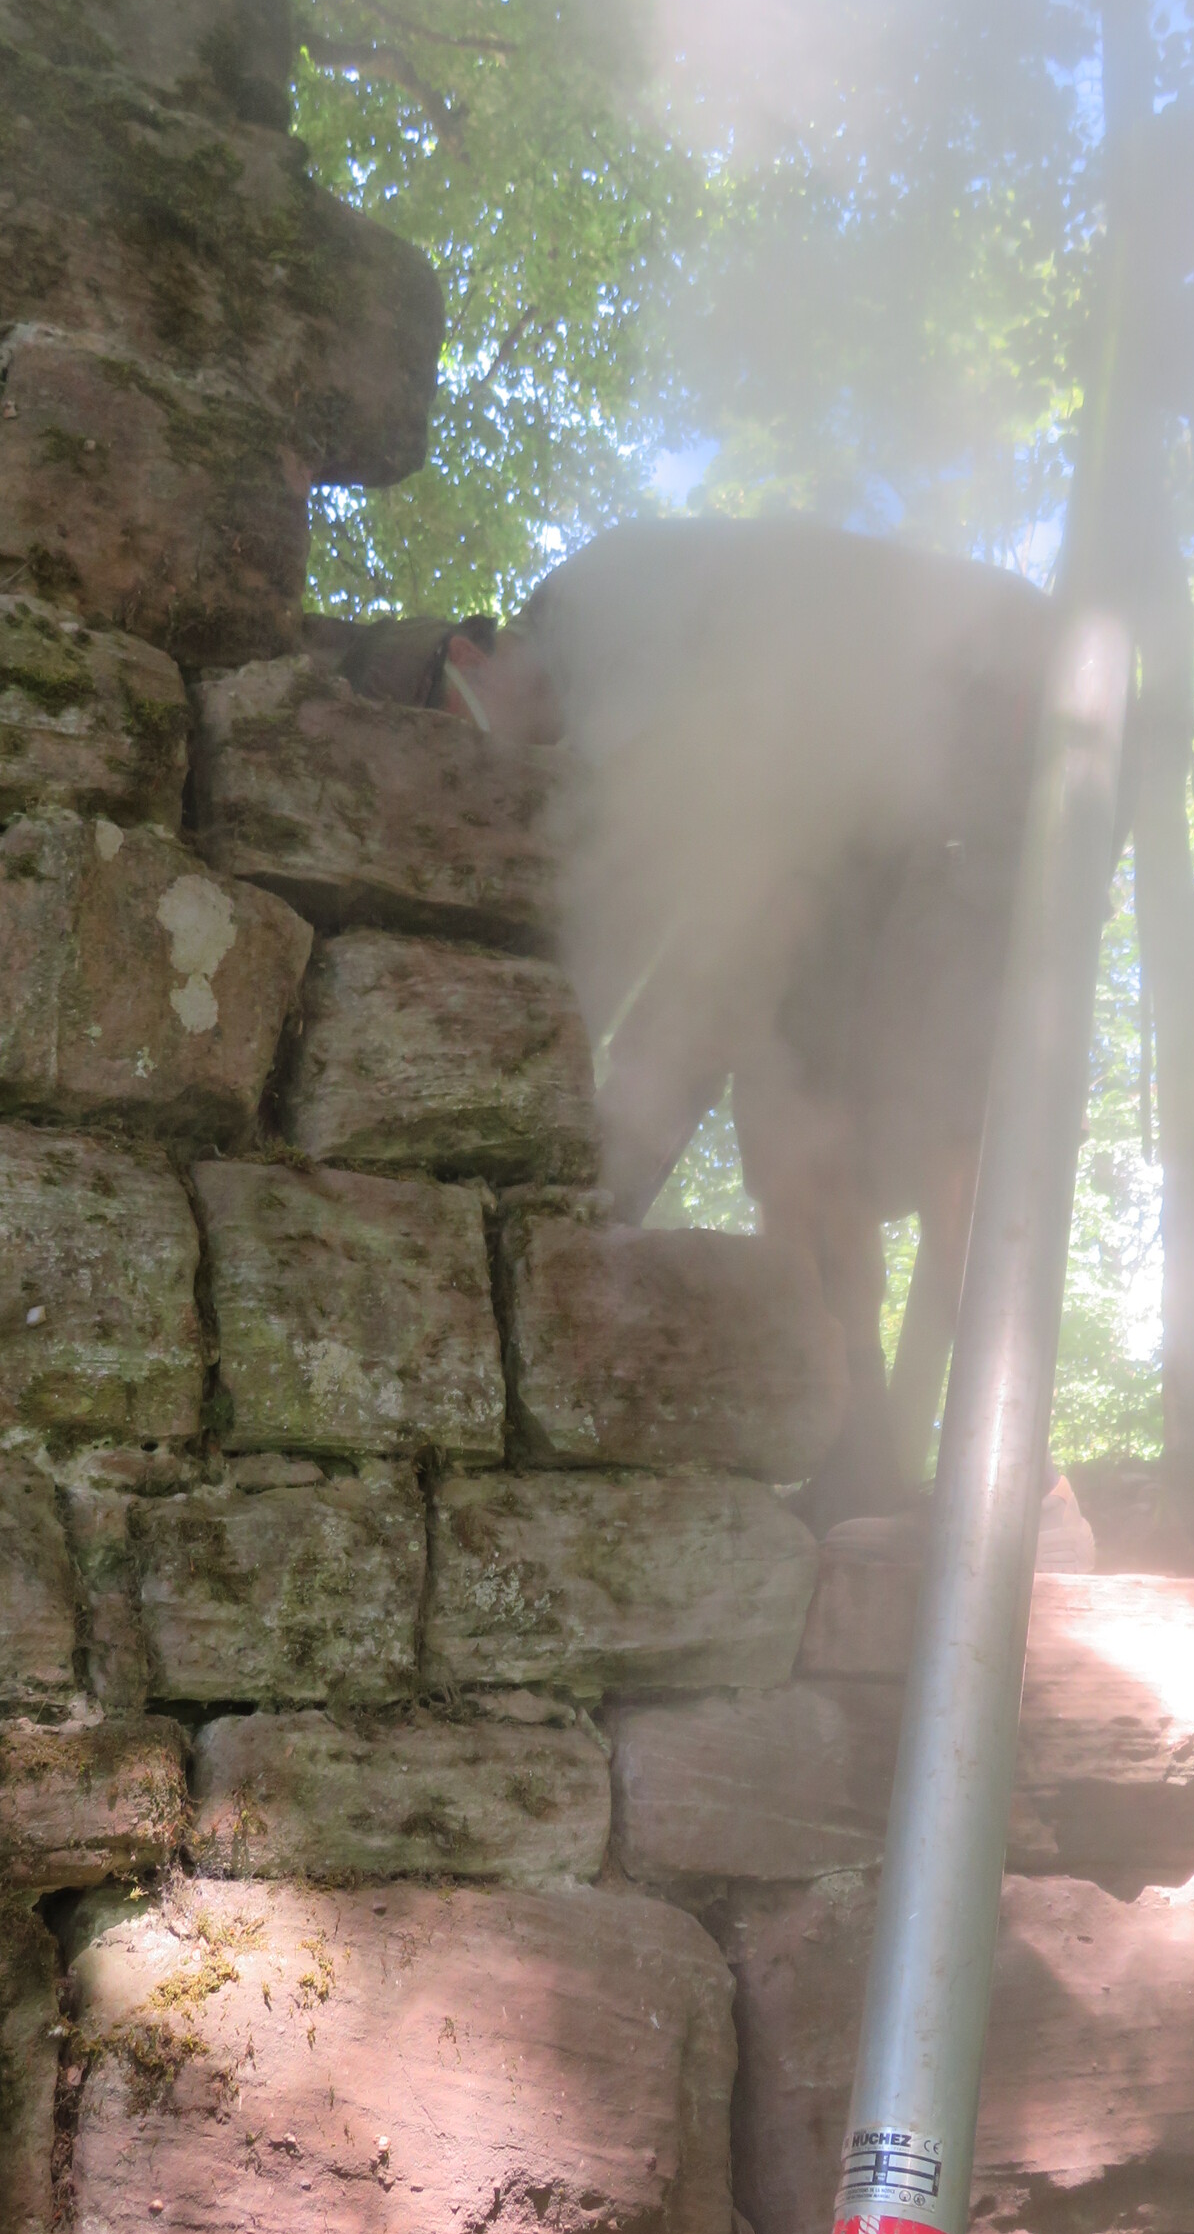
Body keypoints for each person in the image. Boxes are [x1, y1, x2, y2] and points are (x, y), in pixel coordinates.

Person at [441, 515, 1057, 1528]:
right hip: (871, 803)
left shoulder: (590, 617)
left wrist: (589, 1178)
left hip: (999, 727)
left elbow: (676, 918)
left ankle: (1025, 1487)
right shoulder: (633, 672)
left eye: (473, 734)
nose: (504, 771)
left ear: (475, 659)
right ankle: (865, 1468)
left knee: (947, 1121)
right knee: (798, 1127)